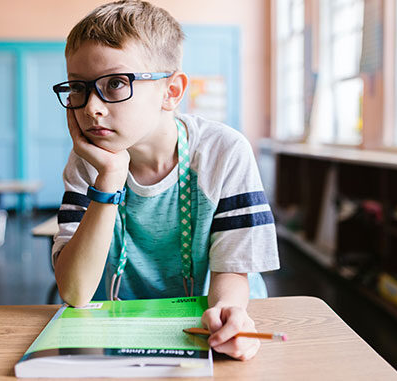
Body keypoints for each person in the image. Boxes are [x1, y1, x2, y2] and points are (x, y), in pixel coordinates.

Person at [52, 0, 279, 361]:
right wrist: (109, 178)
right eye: (78, 88)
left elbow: (233, 270)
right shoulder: (88, 163)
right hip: (124, 330)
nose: (91, 107)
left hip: (210, 324)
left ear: (171, 91)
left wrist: (227, 316)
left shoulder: (223, 152)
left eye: (114, 83)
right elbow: (76, 292)